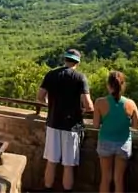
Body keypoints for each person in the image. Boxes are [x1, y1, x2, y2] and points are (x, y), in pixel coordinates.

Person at [37, 49, 94, 192]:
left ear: (65, 59)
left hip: (53, 123)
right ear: (78, 62)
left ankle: (47, 189)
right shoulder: (80, 78)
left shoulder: (51, 74)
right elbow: (89, 105)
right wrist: (83, 109)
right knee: (68, 165)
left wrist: (50, 104)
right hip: (72, 126)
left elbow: (40, 96)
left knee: (51, 162)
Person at [94, 71, 138, 193]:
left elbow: (95, 125)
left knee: (105, 178)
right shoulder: (131, 104)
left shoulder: (100, 102)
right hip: (123, 144)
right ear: (123, 85)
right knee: (119, 180)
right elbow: (137, 126)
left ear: (108, 85)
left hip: (105, 141)